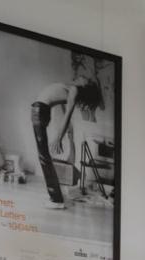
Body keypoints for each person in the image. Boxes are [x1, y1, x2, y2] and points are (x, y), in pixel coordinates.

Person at [30, 73, 105, 209]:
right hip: (39, 109)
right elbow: (64, 111)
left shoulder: (74, 90)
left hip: (40, 110)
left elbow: (67, 115)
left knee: (43, 157)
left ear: (85, 86)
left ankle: (56, 200)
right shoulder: (70, 88)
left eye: (86, 79)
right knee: (44, 156)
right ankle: (56, 197)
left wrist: (59, 137)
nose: (82, 76)